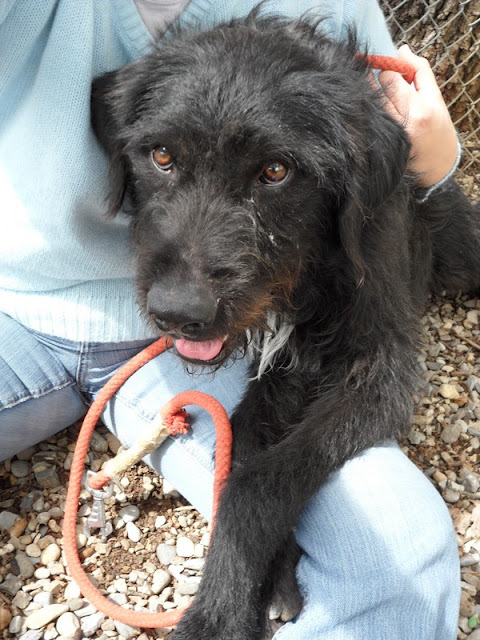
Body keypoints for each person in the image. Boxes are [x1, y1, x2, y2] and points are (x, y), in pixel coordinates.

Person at [0, 1, 461, 638]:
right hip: (16, 307)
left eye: (274, 172)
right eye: (163, 160)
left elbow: (378, 375)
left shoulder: (337, 39)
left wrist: (440, 158)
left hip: (163, 357)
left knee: (403, 562)